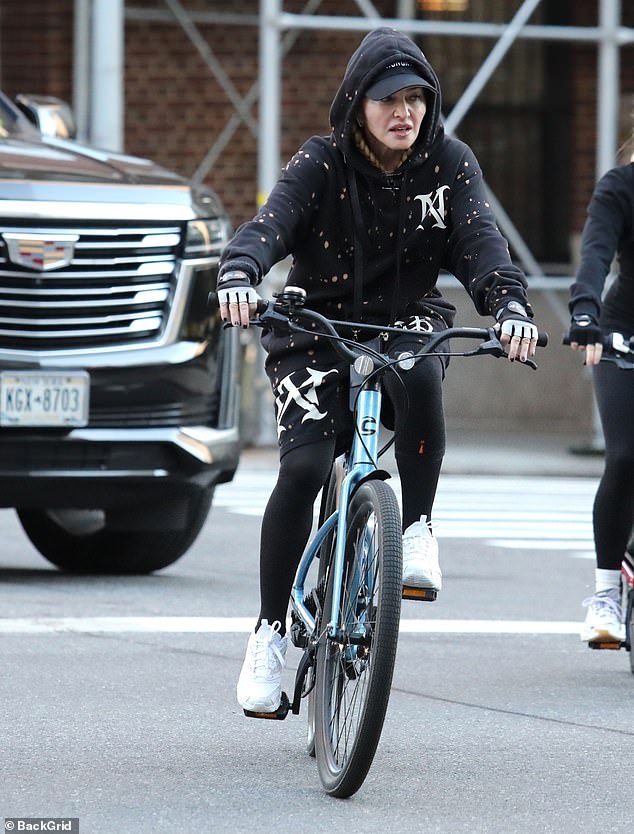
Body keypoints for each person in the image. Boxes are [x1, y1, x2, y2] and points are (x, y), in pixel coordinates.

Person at [217, 27, 539, 713]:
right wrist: (241, 271)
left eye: (418, 98)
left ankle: (415, 528)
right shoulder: (320, 162)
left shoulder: (450, 164)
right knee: (303, 470)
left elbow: (482, 243)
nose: (406, 112)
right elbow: (268, 227)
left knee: (421, 369)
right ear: (357, 104)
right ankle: (270, 633)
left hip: (403, 319)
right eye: (390, 98)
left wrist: (509, 304)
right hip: (314, 325)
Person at [567, 152, 634, 646]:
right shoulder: (621, 187)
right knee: (627, 456)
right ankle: (606, 592)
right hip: (621, 338)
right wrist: (585, 312)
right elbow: (595, 253)